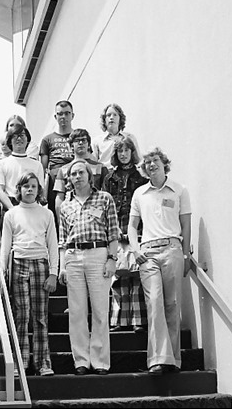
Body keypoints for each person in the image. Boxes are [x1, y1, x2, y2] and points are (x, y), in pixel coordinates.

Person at [127, 147, 191, 375]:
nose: (151, 165)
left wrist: (185, 254)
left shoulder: (179, 190)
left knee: (172, 304)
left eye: (155, 160)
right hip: (148, 253)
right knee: (154, 302)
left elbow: (186, 225)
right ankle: (157, 359)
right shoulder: (139, 194)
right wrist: (135, 250)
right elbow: (132, 227)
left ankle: (173, 360)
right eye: (147, 163)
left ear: (164, 164)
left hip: (172, 249)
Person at [58, 159, 119, 376]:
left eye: (81, 172)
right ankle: (81, 361)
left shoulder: (104, 198)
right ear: (69, 179)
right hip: (74, 256)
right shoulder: (65, 206)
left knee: (101, 310)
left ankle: (100, 362)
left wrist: (112, 259)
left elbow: (113, 233)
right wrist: (62, 265)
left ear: (89, 175)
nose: (77, 176)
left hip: (98, 254)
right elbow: (62, 239)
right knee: (77, 312)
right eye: (73, 174)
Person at [0, 172, 58, 376]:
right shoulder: (11, 214)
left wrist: (53, 273)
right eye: (26, 186)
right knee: (21, 315)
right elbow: (5, 245)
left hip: (40, 264)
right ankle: (20, 362)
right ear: (19, 190)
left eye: (34, 186)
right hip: (19, 263)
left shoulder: (46, 214)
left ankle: (43, 362)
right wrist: (2, 271)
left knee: (40, 316)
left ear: (38, 190)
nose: (30, 189)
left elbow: (52, 244)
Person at [101, 135, 148, 333]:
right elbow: (106, 206)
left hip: (136, 232)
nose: (123, 154)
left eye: (126, 151)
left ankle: (137, 319)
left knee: (136, 276)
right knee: (119, 277)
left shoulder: (140, 178)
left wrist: (136, 230)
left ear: (132, 152)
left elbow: (142, 209)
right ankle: (119, 320)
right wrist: (114, 230)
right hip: (116, 232)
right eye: (120, 151)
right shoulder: (110, 179)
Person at [0, 122, 45, 232]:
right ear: (10, 141)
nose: (19, 139)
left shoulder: (36, 165)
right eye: (15, 136)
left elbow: (40, 190)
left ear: (27, 139)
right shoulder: (1, 164)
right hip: (10, 207)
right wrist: (13, 210)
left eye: (22, 135)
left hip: (31, 207)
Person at [54, 128, 108, 222]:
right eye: (77, 141)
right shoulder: (63, 170)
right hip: (72, 216)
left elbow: (106, 196)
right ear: (71, 146)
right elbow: (59, 199)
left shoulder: (100, 167)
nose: (80, 143)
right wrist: (61, 222)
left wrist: (97, 216)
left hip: (96, 217)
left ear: (88, 144)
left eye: (83, 140)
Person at [39, 100, 75, 225]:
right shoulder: (47, 139)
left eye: (67, 113)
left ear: (72, 115)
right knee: (56, 219)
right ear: (55, 116)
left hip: (74, 179)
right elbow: (42, 169)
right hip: (54, 183)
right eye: (60, 114)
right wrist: (42, 190)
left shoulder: (78, 137)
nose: (63, 117)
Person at [91, 103, 141, 170]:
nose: (111, 118)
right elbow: (93, 165)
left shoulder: (130, 138)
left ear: (120, 119)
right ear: (104, 119)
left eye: (115, 115)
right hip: (104, 175)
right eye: (108, 115)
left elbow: (138, 161)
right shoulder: (96, 141)